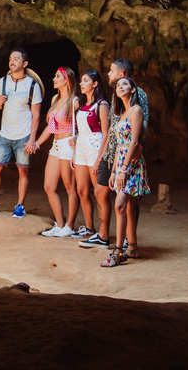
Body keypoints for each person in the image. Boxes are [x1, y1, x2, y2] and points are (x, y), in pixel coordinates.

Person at [79, 58, 148, 249]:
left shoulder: (138, 96)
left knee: (128, 201)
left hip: (128, 156)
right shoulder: (116, 96)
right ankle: (104, 235)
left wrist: (140, 145)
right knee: (102, 192)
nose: (108, 74)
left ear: (122, 74)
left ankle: (127, 241)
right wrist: (102, 154)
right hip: (112, 153)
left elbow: (143, 123)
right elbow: (111, 129)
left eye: (112, 71)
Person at [0, 48, 43, 218]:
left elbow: (36, 115)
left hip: (24, 135)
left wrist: (32, 138)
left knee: (23, 171)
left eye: (16, 59)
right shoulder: (3, 81)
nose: (12, 62)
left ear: (24, 63)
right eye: (10, 59)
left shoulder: (32, 85)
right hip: (4, 134)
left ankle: (20, 206)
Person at [101, 77, 150, 267]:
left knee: (120, 204)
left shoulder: (136, 110)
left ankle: (118, 252)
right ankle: (133, 247)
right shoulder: (121, 114)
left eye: (125, 84)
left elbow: (135, 142)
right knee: (125, 205)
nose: (120, 87)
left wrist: (123, 170)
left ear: (133, 89)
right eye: (118, 85)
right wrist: (114, 171)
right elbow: (120, 145)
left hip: (132, 164)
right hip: (120, 163)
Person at [35, 67, 79, 237]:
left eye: (58, 76)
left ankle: (70, 226)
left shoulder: (75, 101)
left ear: (66, 80)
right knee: (49, 186)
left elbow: (82, 124)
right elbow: (50, 127)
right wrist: (36, 143)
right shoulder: (55, 98)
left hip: (68, 145)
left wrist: (77, 144)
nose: (54, 79)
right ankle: (59, 224)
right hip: (56, 145)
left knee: (69, 187)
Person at [70, 70, 110, 244]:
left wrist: (100, 158)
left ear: (95, 84)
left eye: (85, 80)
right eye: (81, 80)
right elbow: (79, 130)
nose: (81, 83)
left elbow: (106, 133)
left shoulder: (101, 105)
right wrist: (74, 151)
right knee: (82, 191)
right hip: (81, 149)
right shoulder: (82, 106)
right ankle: (89, 228)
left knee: (99, 193)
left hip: (95, 148)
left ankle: (103, 234)